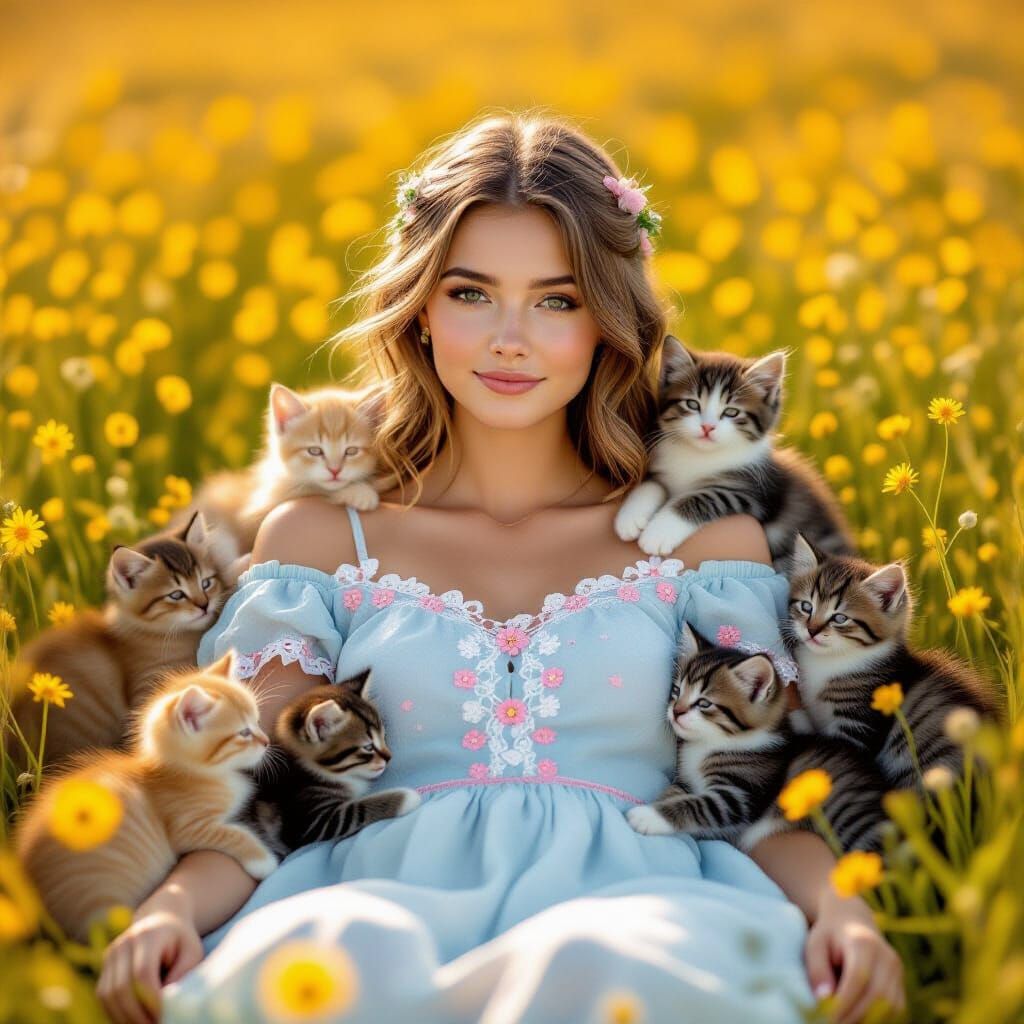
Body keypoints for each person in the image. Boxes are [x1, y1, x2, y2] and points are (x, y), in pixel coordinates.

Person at [97, 112, 905, 1024]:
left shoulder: (706, 550)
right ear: (420, 310)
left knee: (594, 962)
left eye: (557, 301)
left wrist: (841, 907)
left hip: (649, 906)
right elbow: (260, 793)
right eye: (472, 293)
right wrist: (170, 908)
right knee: (350, 951)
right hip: (367, 890)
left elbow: (760, 793)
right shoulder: (321, 544)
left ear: (609, 323)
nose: (509, 338)